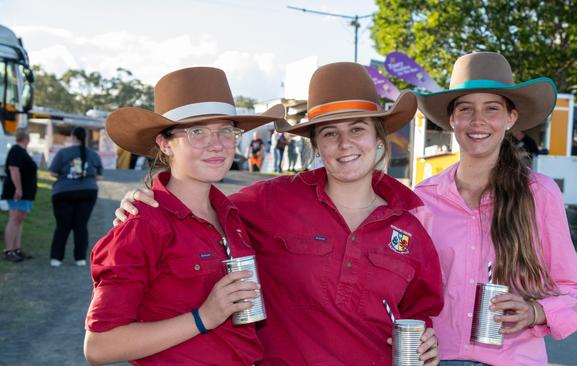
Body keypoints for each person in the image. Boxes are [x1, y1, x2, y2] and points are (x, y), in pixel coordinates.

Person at [116, 62, 444, 365]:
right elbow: (196, 207)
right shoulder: (270, 201)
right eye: (330, 133)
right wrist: (143, 198)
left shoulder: (410, 224)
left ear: (378, 138)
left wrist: (427, 341)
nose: (345, 144)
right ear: (316, 145)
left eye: (357, 129)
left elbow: (419, 310)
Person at [83, 67, 285, 365]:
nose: (216, 144)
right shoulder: (142, 224)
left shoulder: (233, 217)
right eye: (197, 131)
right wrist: (204, 317)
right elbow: (100, 346)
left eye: (226, 131)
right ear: (165, 144)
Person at [414, 52, 577, 365]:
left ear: (510, 118)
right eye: (465, 109)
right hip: (440, 358)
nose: (477, 120)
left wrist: (535, 311)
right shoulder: (424, 199)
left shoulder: (539, 194)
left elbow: (572, 287)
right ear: (452, 119)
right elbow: (409, 290)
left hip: (513, 358)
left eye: (491, 108)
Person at [48, 127, 104, 267]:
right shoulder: (94, 154)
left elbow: (53, 173)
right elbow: (98, 176)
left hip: (63, 192)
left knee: (62, 226)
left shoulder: (63, 153)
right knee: (81, 226)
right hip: (88, 191)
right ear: (85, 138)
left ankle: (56, 259)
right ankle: (80, 259)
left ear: (72, 137)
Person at [2, 128, 37, 262]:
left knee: (19, 220)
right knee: (14, 219)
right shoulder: (16, 150)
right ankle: (9, 251)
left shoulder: (22, 151)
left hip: (25, 193)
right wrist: (18, 189)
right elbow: (14, 169)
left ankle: (16, 249)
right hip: (18, 192)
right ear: (26, 138)